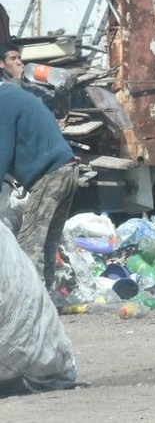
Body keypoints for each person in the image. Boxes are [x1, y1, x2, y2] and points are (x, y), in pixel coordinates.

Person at [0, 82, 79, 290]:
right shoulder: (16, 95)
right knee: (47, 245)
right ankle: (48, 297)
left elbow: (2, 150)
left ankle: (27, 301)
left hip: (50, 176)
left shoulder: (3, 101)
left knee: (29, 246)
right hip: (69, 169)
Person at [0, 43, 71, 119]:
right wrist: (16, 79)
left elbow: (59, 113)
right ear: (1, 64)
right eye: (13, 59)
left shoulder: (34, 89)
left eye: (19, 58)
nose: (19, 62)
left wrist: (62, 92)